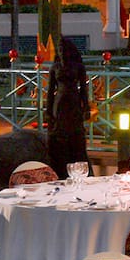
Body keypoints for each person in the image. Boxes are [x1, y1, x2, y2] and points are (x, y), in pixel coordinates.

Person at [43, 38, 91, 171]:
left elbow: (83, 89)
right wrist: (48, 111)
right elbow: (50, 91)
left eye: (63, 50)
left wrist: (86, 107)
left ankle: (76, 162)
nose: (62, 52)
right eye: (59, 50)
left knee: (75, 132)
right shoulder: (55, 67)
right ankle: (59, 164)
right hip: (59, 103)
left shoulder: (78, 67)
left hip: (74, 101)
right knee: (59, 132)